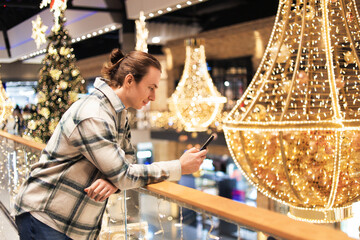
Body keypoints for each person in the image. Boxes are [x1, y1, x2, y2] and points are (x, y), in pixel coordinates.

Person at [14, 49, 208, 240]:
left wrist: (112, 180)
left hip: (69, 224)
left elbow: (128, 158)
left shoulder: (118, 113)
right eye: (151, 87)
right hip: (46, 218)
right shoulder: (94, 114)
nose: (153, 97)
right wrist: (179, 166)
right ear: (129, 80)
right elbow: (124, 173)